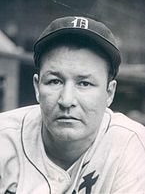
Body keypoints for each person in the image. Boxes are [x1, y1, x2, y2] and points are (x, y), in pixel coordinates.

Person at [0, 16, 145, 194]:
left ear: (109, 93)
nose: (66, 100)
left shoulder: (130, 144)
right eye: (55, 81)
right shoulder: (4, 138)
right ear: (37, 87)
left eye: (84, 83)